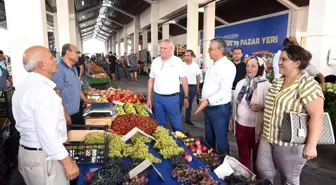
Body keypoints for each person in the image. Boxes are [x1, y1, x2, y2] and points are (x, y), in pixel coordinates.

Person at [257, 45, 324, 185]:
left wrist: (311, 145)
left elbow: (317, 116)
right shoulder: (277, 82)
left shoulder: (307, 84)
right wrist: (261, 131)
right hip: (268, 138)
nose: (279, 62)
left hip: (290, 143)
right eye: (279, 59)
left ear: (297, 63)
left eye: (284, 59)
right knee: (264, 172)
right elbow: (271, 108)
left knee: (289, 179)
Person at [12, 46, 79, 185]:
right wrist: (67, 162)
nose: (55, 59)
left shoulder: (23, 86)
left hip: (29, 153)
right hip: (44, 156)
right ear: (41, 65)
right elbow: (47, 134)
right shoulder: (43, 92)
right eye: (51, 57)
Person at [230, 56, 271, 173]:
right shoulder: (241, 83)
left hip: (258, 129)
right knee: (243, 156)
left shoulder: (266, 85)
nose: (249, 69)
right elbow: (235, 105)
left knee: (258, 159)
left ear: (260, 68)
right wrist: (232, 120)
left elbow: (274, 106)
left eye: (253, 66)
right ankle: (245, 179)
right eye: (248, 66)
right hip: (241, 126)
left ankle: (257, 180)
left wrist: (262, 107)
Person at [195, 38, 236, 154]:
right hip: (209, 107)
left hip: (220, 109)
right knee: (209, 139)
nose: (208, 51)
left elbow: (224, 90)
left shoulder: (228, 66)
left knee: (220, 140)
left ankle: (224, 166)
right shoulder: (212, 66)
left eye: (210, 49)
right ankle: (211, 163)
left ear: (220, 50)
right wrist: (205, 102)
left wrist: (208, 101)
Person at [147, 39, 189, 132]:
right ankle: (163, 142)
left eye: (165, 48)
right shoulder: (155, 62)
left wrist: (186, 96)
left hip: (172, 99)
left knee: (176, 124)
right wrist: (149, 98)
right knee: (160, 124)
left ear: (171, 50)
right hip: (157, 98)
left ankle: (180, 142)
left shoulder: (178, 62)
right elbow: (151, 80)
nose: (162, 50)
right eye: (161, 48)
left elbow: (184, 79)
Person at [52, 44, 94, 125]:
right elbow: (56, 95)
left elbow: (76, 86)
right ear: (68, 52)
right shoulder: (59, 70)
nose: (79, 55)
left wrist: (85, 99)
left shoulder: (73, 67)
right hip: (68, 113)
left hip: (77, 109)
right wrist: (65, 114)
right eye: (77, 52)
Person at [179, 50, 201, 125]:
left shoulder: (195, 65)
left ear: (192, 56)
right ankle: (177, 119)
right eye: (185, 55)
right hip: (182, 87)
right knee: (180, 103)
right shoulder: (181, 65)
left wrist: (198, 87)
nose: (186, 57)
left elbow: (198, 76)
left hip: (192, 87)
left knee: (190, 103)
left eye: (188, 55)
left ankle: (187, 119)